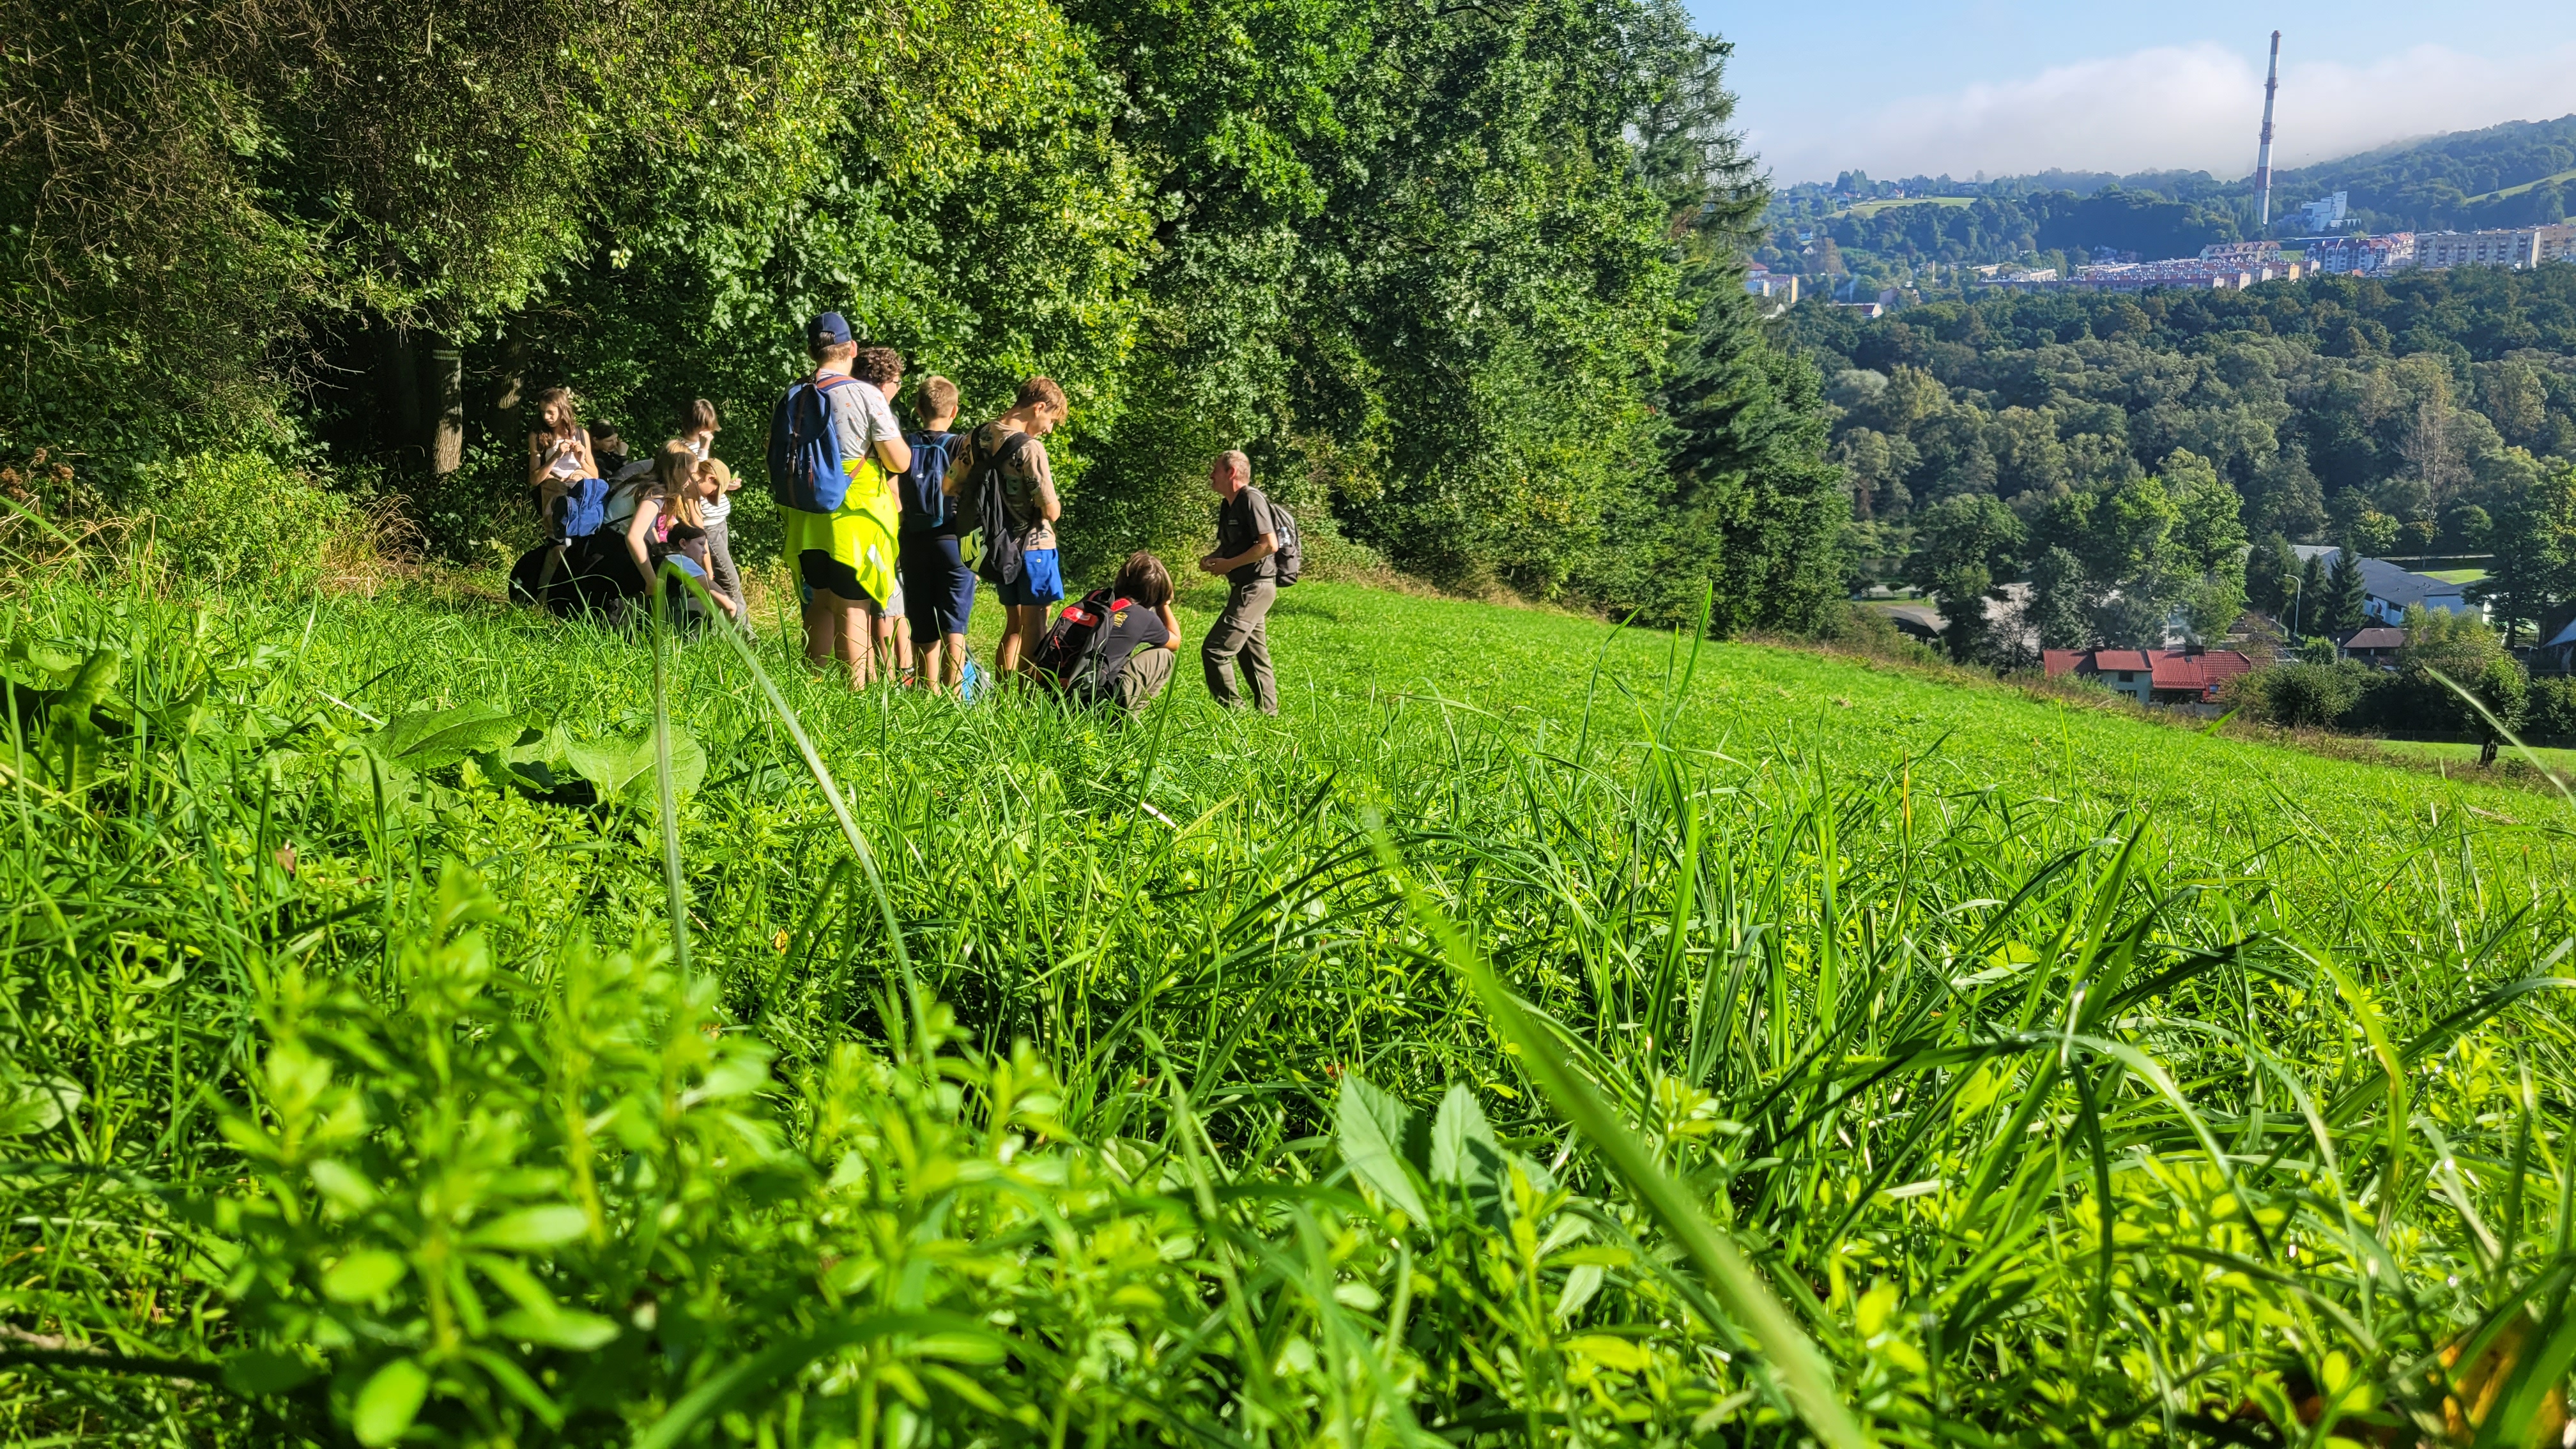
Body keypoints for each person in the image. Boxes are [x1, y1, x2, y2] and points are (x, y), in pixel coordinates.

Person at [776, 316, 908, 688]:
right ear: (852, 349)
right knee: (853, 606)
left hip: (806, 512)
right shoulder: (867, 395)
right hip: (856, 514)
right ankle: (855, 696)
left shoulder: (794, 393)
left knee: (819, 601)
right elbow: (899, 461)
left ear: (810, 351)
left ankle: (813, 686)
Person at [958, 377, 1066, 680]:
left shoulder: (977, 437)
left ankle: (1005, 698)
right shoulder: (1031, 448)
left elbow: (950, 485)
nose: (1049, 429)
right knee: (1036, 623)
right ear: (1039, 407)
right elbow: (1050, 510)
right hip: (1034, 546)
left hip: (998, 545)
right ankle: (1028, 699)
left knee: (1013, 625)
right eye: (1050, 421)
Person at [895, 375, 972, 694]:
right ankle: (952, 695)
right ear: (954, 411)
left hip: (912, 541)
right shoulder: (961, 445)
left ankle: (927, 691)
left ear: (917, 408)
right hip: (952, 542)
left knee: (922, 620)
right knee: (954, 624)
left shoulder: (902, 444)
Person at [1037, 551, 1181, 714]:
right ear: (1155, 594)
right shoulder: (1144, 617)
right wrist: (1164, 604)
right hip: (1098, 698)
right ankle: (1122, 719)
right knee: (1165, 656)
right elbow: (1175, 642)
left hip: (1059, 691)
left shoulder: (1095, 597)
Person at [1197, 449, 1279, 714]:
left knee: (1215, 650)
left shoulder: (1251, 499)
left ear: (1231, 472)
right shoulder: (1228, 504)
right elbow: (1231, 545)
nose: (1211, 475)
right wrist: (1214, 558)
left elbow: (1269, 545)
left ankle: (1234, 713)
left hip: (1257, 587)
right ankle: (1269, 715)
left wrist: (1228, 565)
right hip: (1244, 587)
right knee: (1253, 655)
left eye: (1215, 470)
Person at [526, 388, 600, 595]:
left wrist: (580, 460)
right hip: (554, 497)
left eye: (550, 412)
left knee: (579, 478)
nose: (546, 417)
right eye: (542, 413)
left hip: (578, 498)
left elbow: (595, 476)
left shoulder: (581, 434)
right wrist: (556, 456)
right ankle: (542, 597)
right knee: (559, 549)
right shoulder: (538, 437)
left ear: (562, 410)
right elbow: (535, 479)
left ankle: (563, 596)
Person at [676, 399, 745, 618]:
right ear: (694, 425)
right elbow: (695, 480)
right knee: (730, 581)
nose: (709, 431)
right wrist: (704, 448)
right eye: (705, 426)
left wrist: (725, 485)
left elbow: (708, 483)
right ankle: (746, 636)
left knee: (726, 578)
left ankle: (728, 627)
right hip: (708, 525)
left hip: (719, 520)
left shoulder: (700, 447)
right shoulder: (681, 449)